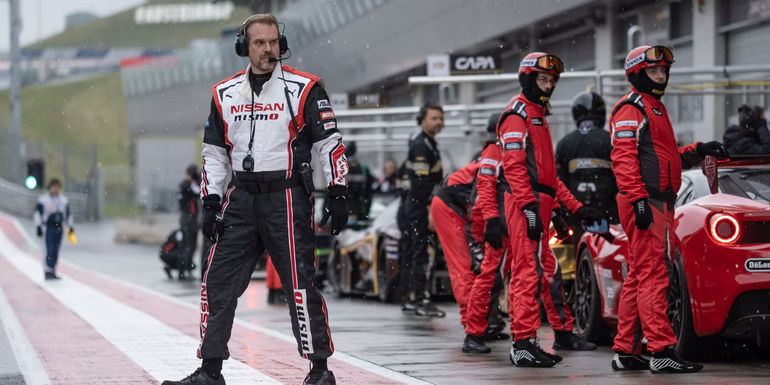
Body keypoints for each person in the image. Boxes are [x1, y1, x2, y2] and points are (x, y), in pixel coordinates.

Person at [162, 14, 348, 385]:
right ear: (243, 47)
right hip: (241, 198)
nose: (268, 50)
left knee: (300, 284)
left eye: (274, 42)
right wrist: (211, 202)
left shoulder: (306, 88)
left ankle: (319, 369)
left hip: (288, 197)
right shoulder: (223, 93)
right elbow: (213, 154)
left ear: (282, 44)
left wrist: (339, 191)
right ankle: (210, 370)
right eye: (260, 43)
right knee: (217, 282)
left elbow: (329, 143)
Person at [609, 45, 727, 374]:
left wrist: (698, 150)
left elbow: (666, 156)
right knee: (654, 276)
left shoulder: (654, 108)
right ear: (637, 74)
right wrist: (637, 200)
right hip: (647, 201)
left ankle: (626, 350)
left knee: (639, 276)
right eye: (654, 71)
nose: (661, 76)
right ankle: (661, 349)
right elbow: (624, 158)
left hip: (656, 200)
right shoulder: (631, 109)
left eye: (663, 71)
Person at [499, 52, 604, 368]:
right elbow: (515, 168)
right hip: (524, 201)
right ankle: (522, 344)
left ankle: (532, 341)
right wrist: (529, 208)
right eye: (542, 80)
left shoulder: (538, 115)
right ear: (528, 79)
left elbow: (549, 178)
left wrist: (574, 208)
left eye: (551, 81)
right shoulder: (517, 115)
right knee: (526, 272)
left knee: (542, 271)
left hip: (539, 201)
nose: (547, 86)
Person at [399, 102, 445, 317]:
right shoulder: (420, 146)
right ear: (422, 119)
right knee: (423, 252)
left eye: (440, 118)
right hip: (419, 207)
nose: (439, 122)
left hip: (415, 206)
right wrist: (429, 210)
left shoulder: (427, 143)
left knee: (416, 251)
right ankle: (420, 300)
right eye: (434, 118)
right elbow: (420, 183)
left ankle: (412, 298)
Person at [555, 91, 619, 236]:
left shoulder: (564, 143)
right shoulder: (611, 140)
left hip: (577, 213)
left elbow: (559, 181)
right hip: (609, 213)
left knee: (577, 254)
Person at [34, 178, 74, 280]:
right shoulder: (43, 199)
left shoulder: (63, 200)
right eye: (53, 187)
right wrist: (38, 226)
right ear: (50, 188)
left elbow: (68, 214)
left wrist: (70, 226)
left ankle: (53, 269)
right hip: (48, 226)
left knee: (56, 249)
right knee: (49, 248)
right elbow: (38, 213)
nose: (55, 189)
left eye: (57, 187)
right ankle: (47, 270)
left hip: (59, 226)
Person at [177, 164, 201, 280]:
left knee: (186, 245)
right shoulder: (188, 186)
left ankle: (184, 269)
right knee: (189, 245)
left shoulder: (185, 185)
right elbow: (198, 193)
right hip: (189, 218)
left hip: (186, 218)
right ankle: (185, 269)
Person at [343, 141, 376, 221]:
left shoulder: (339, 170)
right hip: (360, 208)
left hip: (345, 209)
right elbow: (369, 191)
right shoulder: (363, 170)